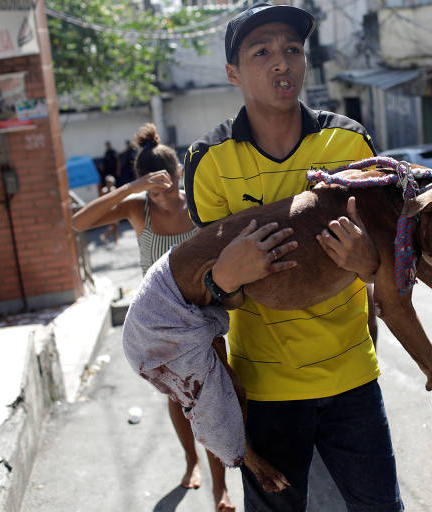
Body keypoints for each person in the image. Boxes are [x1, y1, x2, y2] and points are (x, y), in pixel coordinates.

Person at [183, 3, 402, 510]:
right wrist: (224, 277)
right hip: (264, 390)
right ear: (232, 72)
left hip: (353, 379)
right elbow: (205, 295)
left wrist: (368, 263)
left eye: (292, 49)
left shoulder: (348, 141)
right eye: (262, 52)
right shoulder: (209, 162)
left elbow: (388, 263)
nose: (282, 62)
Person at [70, 123, 237, 512]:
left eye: (167, 187)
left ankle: (220, 488)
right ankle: (190, 460)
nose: (161, 198)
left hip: (206, 315)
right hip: (161, 322)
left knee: (214, 399)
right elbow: (78, 222)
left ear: (179, 174)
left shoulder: (197, 203)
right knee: (179, 398)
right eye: (153, 190)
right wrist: (130, 189)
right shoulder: (137, 206)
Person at [98, 175, 119, 244]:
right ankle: (105, 236)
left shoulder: (114, 188)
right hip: (108, 210)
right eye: (109, 182)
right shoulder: (104, 190)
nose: (111, 183)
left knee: (115, 225)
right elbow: (102, 201)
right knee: (115, 224)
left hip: (114, 208)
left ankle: (115, 240)